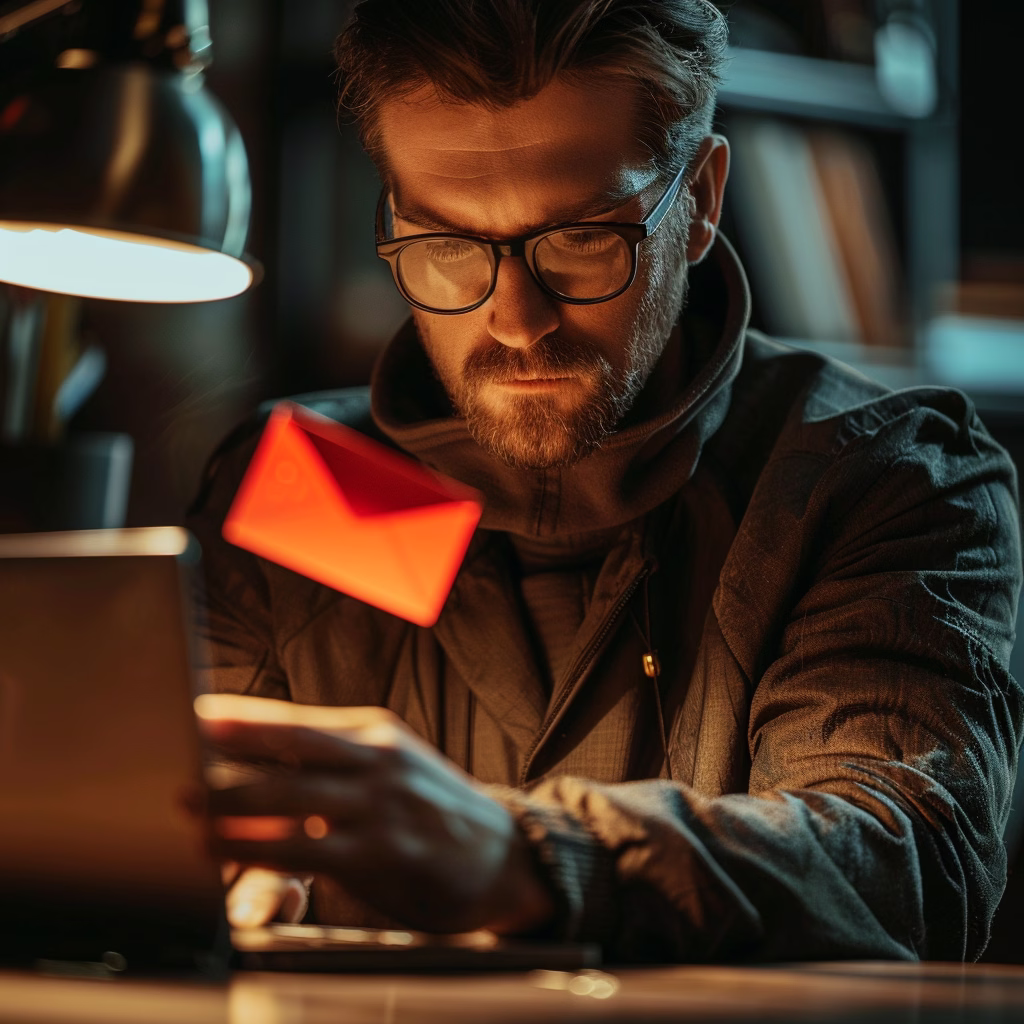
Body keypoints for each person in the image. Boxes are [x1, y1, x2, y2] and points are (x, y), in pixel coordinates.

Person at [188, 0, 1024, 962]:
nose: (515, 320)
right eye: (447, 243)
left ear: (701, 201)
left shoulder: (879, 480)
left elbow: (904, 866)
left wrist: (528, 861)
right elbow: (170, 831)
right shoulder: (289, 483)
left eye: (582, 238)